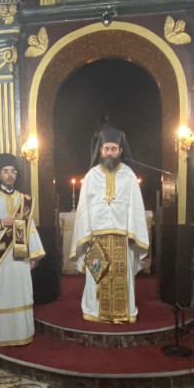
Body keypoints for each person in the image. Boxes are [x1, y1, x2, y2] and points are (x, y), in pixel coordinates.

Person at [70, 126, 149, 323]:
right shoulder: (91, 176)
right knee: (97, 276)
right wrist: (87, 235)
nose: (110, 153)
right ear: (101, 151)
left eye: (114, 149)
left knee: (123, 277)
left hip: (123, 239)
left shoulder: (129, 175)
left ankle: (124, 312)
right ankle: (95, 311)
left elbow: (136, 207)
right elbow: (83, 209)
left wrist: (133, 234)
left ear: (120, 151)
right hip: (97, 239)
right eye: (107, 149)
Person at [0, 154, 45, 346]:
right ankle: (3, 334)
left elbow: (30, 229)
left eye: (13, 171)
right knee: (3, 295)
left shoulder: (25, 200)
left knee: (22, 293)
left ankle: (23, 332)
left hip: (21, 257)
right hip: (2, 259)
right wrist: (1, 223)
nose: (10, 175)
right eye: (5, 171)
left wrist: (34, 256)